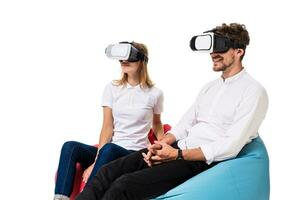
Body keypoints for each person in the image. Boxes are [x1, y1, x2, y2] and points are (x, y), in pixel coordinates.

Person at [75, 23, 269, 200]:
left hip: (199, 161)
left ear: (239, 51)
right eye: (212, 48)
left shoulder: (253, 91)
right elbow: (185, 124)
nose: (213, 53)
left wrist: (177, 155)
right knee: (108, 171)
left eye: (221, 47)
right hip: (177, 149)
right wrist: (161, 145)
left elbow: (230, 146)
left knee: (123, 186)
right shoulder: (209, 88)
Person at [53, 42, 164, 200]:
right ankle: (60, 198)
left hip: (134, 153)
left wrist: (163, 143)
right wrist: (95, 161)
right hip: (109, 149)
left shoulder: (155, 94)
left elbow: (157, 123)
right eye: (121, 58)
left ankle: (87, 197)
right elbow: (107, 127)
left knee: (110, 149)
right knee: (70, 146)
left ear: (142, 60)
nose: (123, 61)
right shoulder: (112, 88)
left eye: (129, 57)